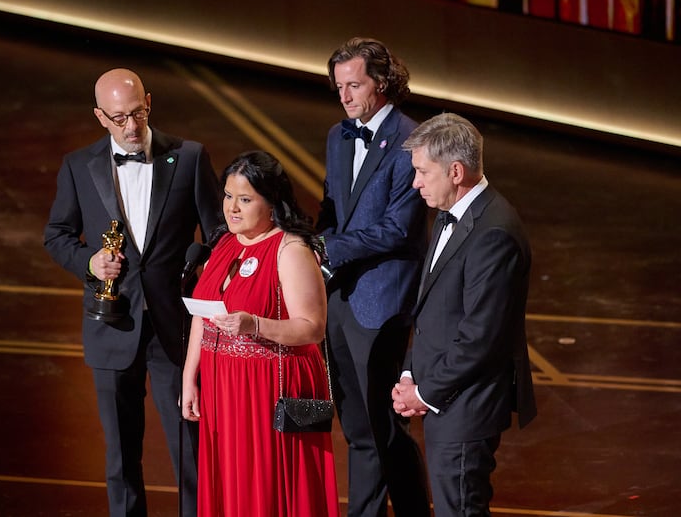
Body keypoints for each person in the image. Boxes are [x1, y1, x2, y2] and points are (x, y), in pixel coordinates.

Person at [44, 68, 221, 517]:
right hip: (112, 323)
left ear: (150, 102)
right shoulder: (77, 166)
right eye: (119, 118)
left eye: (138, 113)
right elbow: (57, 235)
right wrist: (89, 262)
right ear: (100, 117)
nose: (131, 127)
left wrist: (197, 260)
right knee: (121, 456)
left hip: (174, 326)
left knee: (191, 447)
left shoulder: (189, 157)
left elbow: (219, 231)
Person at [392, 112, 538, 516]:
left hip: (467, 407)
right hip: (446, 396)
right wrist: (409, 373)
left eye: (422, 171)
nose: (415, 182)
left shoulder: (494, 233)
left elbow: (481, 337)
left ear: (455, 171)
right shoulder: (447, 214)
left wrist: (424, 393)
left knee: (460, 509)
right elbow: (432, 311)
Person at [181, 150, 340, 517]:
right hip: (224, 387)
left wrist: (254, 324)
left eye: (245, 199)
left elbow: (312, 328)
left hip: (268, 388)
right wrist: (190, 377)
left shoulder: (291, 250)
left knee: (266, 488)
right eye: (228, 196)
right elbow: (202, 315)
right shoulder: (223, 244)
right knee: (231, 483)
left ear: (272, 203)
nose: (232, 208)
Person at [316, 37, 431, 516]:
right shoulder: (338, 136)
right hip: (341, 298)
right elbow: (331, 210)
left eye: (354, 84)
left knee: (380, 426)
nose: (344, 96)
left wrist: (329, 248)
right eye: (339, 85)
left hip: (383, 301)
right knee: (360, 428)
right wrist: (312, 245)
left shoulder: (412, 140)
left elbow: (398, 228)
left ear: (382, 83)